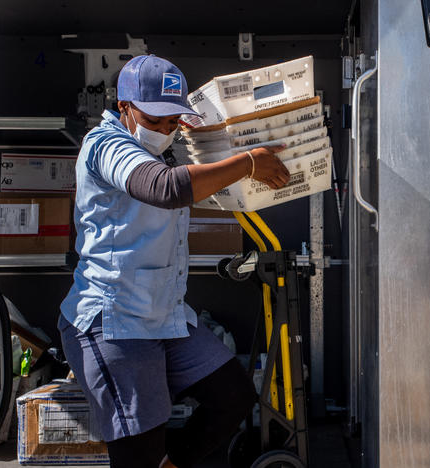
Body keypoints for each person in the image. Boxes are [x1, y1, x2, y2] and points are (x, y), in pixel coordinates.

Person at [58, 55, 290, 468]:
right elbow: (164, 189)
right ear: (125, 107)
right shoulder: (107, 145)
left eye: (172, 122)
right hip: (114, 321)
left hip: (163, 317)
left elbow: (182, 181)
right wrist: (248, 162)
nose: (165, 130)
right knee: (138, 451)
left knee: (232, 396)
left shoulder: (162, 151)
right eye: (156, 119)